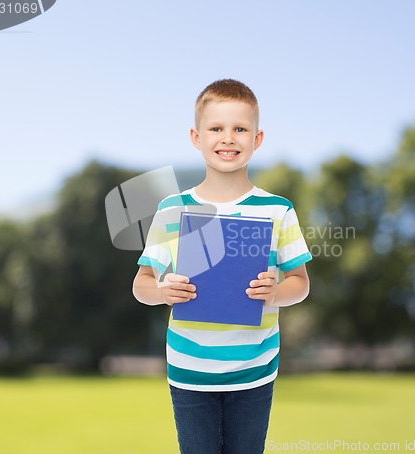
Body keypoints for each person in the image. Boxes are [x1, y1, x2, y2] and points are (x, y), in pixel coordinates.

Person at [132, 79, 312, 454]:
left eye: (240, 129)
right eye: (216, 128)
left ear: (257, 138)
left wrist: (277, 292)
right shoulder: (172, 209)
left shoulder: (278, 209)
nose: (228, 138)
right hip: (189, 370)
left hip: (255, 369)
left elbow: (300, 282)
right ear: (196, 137)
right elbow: (141, 284)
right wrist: (163, 291)